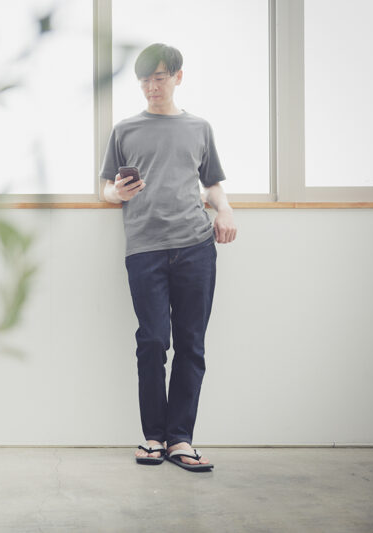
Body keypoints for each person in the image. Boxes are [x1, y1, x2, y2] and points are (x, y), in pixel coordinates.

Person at [99, 43, 237, 472]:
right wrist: (116, 192)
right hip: (145, 249)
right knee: (153, 341)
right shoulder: (125, 130)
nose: (151, 86)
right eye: (144, 79)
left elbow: (212, 184)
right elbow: (105, 188)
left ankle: (180, 440)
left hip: (195, 247)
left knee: (191, 345)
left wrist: (225, 210)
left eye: (159, 77)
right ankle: (153, 438)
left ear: (178, 77)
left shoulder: (199, 128)